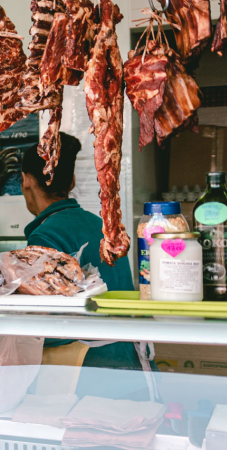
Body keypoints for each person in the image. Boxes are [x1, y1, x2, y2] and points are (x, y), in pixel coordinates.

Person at [21, 132, 151, 396]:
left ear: (26, 181)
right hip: (130, 361)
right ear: (72, 180)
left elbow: (44, 318)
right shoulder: (99, 224)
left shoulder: (44, 236)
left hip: (87, 374)